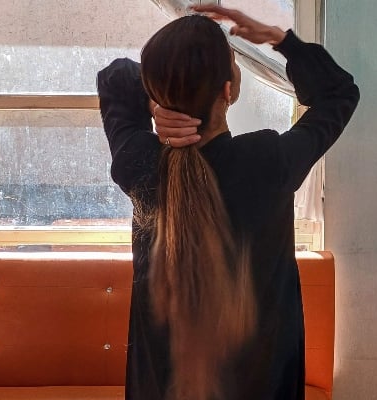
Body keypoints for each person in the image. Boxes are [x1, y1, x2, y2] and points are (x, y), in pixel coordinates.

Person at [97, 5, 359, 400]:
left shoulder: (140, 163)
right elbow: (339, 93)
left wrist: (155, 105)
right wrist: (280, 39)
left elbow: (116, 75)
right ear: (228, 90)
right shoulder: (269, 162)